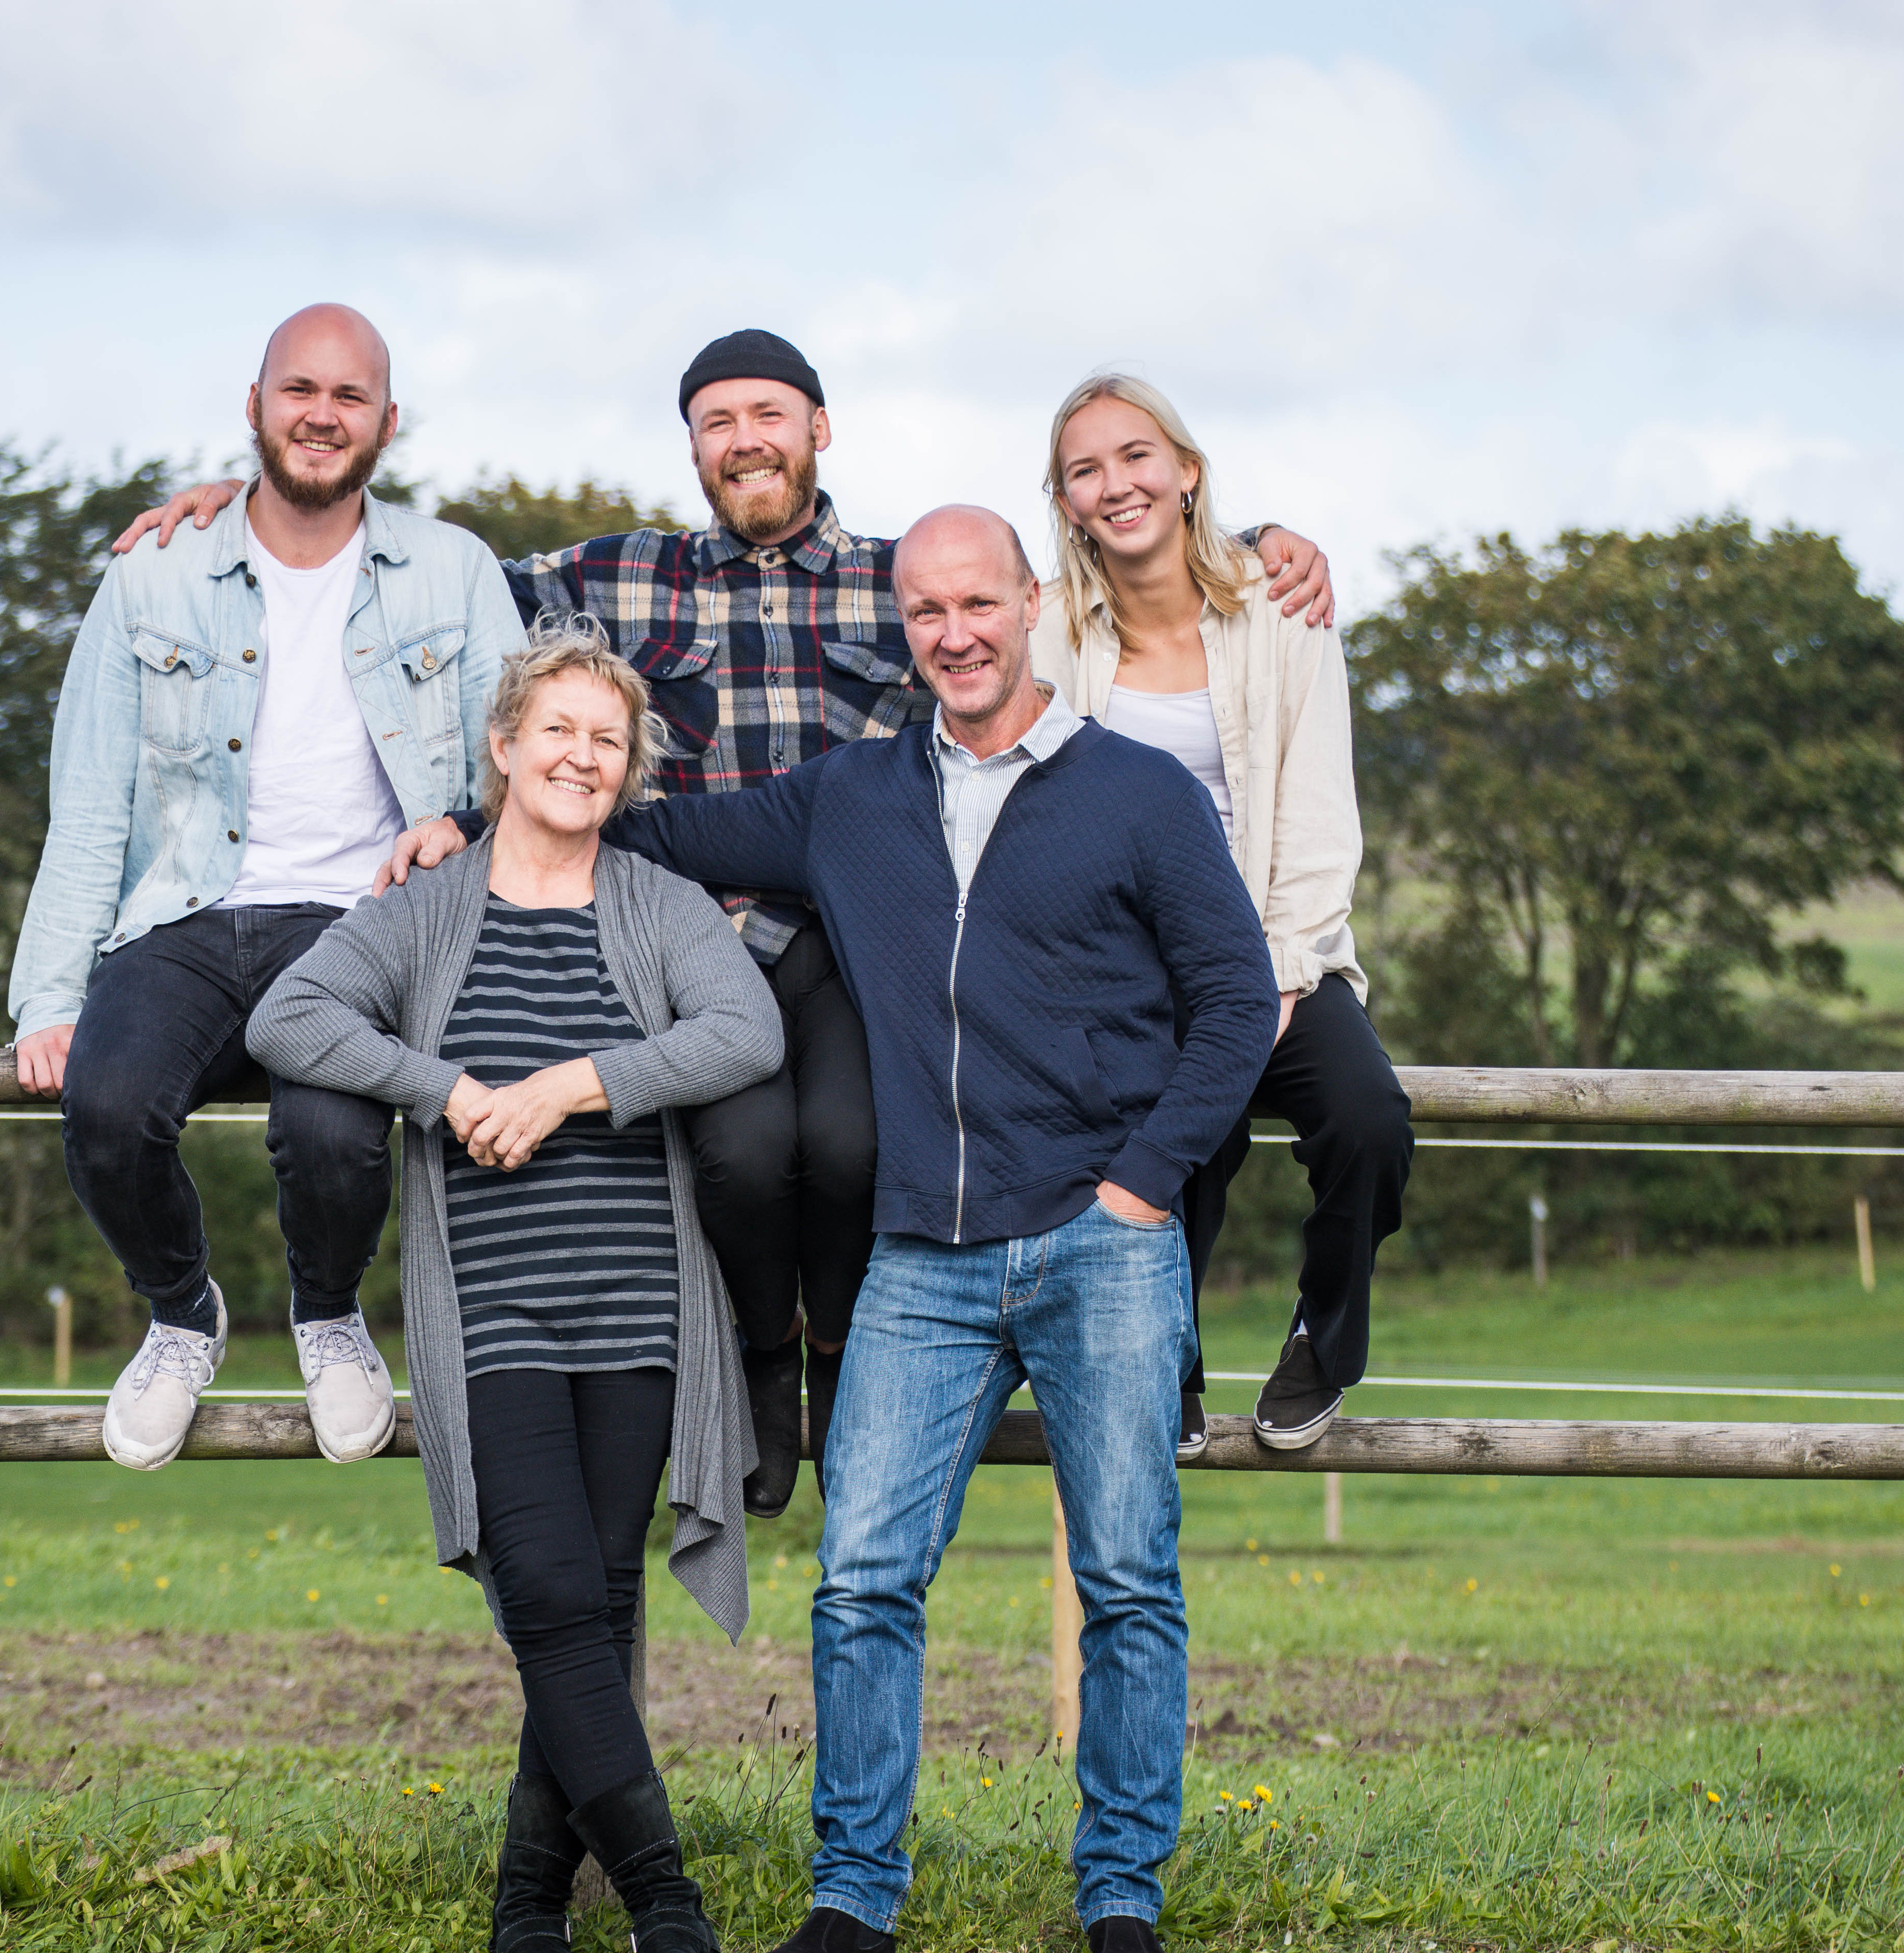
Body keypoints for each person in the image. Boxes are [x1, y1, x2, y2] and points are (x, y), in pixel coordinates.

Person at [124, 331, 1339, 1521]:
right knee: (743, 1158)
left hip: (874, 946)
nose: (746, 439)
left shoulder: (898, 573)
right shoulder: (623, 575)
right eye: (719, 422)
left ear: (819, 428)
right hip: (707, 932)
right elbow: (424, 583)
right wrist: (268, 508)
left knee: (859, 1150)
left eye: (770, 415)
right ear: (696, 446)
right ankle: (763, 1354)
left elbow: (1085, 576)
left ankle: (839, 1352)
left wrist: (1261, 541)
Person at [596, 506, 1276, 1953]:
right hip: (924, 1255)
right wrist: (491, 817)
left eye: (980, 602)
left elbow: (1238, 1003)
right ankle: (852, 1908)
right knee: (861, 1583)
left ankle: (1122, 1903)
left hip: (1101, 1240)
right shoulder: (851, 795)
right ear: (899, 625)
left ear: (1033, 603)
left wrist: (1144, 1189)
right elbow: (656, 831)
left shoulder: (1143, 794)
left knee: (1129, 1583)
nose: (955, 632)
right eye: (925, 610)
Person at [246, 619, 781, 1953]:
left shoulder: (655, 906)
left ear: (628, 769)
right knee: (549, 1593)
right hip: (494, 1312)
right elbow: (292, 1019)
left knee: (591, 1603)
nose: (583, 758)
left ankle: (530, 1906)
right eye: (559, 732)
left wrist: (570, 1085)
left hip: (644, 1311)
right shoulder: (432, 910)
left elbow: (746, 1031)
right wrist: (451, 1091)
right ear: (502, 748)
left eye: (609, 741)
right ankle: (670, 1903)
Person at [6, 303, 520, 1471]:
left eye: (349, 397)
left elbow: (516, 750)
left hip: (358, 924)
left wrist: (459, 821)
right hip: (185, 912)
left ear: (388, 422)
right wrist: (48, 992)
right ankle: (182, 1313)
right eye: (300, 390)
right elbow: (89, 799)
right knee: (104, 1105)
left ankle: (329, 1312)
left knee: (334, 1132)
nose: (321, 415)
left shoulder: (456, 568)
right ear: (254, 406)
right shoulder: (152, 575)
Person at [1031, 373, 1414, 1454]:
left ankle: (1327, 1339)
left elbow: (1318, 807)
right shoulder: (1050, 630)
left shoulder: (1281, 607)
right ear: (1063, 502)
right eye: (1085, 470)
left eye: (1137, 456)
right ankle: (1170, 1363)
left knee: (1368, 1117)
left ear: (1187, 470)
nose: (1116, 485)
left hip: (1273, 951)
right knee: (1176, 1134)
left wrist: (1282, 977)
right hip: (1127, 969)